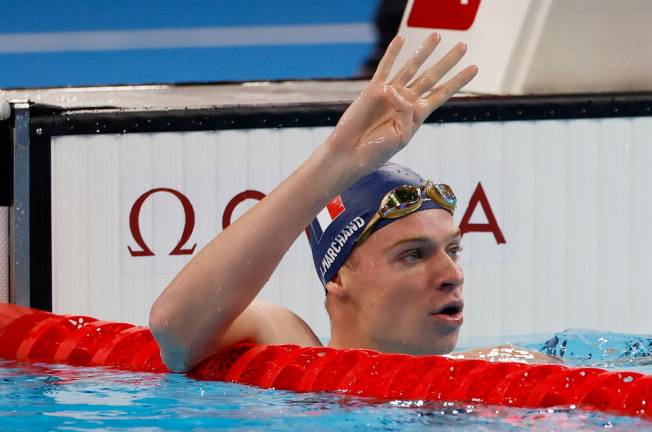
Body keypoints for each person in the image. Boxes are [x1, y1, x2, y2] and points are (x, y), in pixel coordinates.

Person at [150, 33, 481, 372]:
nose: (451, 275)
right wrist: (335, 160)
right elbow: (174, 331)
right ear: (338, 277)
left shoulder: (496, 369)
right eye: (412, 255)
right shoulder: (290, 348)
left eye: (453, 251)